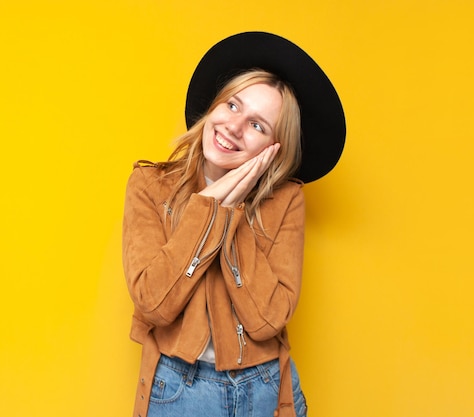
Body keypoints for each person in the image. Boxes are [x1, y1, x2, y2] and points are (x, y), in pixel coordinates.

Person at [122, 32, 346, 417]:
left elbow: (268, 320)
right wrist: (208, 206)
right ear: (213, 106)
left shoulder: (286, 200)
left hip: (267, 387)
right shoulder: (149, 186)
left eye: (258, 125)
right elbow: (153, 303)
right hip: (180, 392)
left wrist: (234, 207)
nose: (234, 126)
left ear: (275, 150)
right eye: (232, 104)